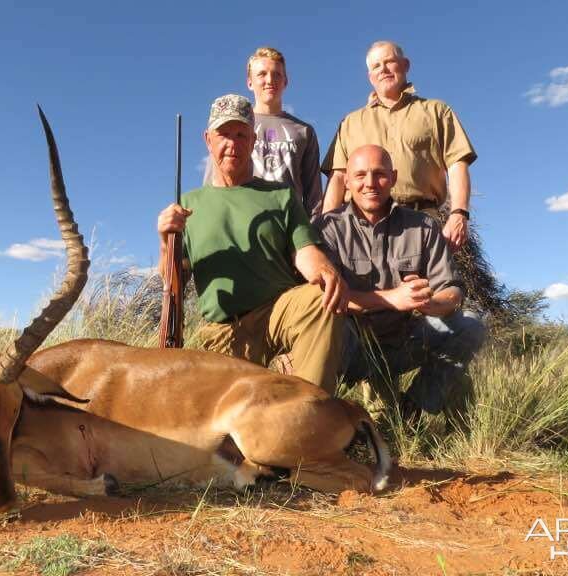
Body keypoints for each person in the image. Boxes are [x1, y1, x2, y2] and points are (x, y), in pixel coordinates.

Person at [158, 94, 347, 392]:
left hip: (276, 315)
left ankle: (310, 415)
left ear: (253, 139)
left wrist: (325, 272)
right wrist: (166, 241)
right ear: (208, 140)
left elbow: (306, 253)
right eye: (223, 134)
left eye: (241, 134)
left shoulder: (280, 195)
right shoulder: (188, 205)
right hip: (223, 331)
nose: (232, 143)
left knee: (318, 299)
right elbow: (175, 279)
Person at [316, 144, 485, 424]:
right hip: (351, 346)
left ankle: (413, 409)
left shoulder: (422, 226)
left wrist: (432, 304)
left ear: (393, 178)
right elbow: (327, 297)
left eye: (379, 174)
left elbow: (453, 290)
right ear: (346, 180)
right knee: (324, 333)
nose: (370, 183)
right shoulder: (326, 228)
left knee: (470, 325)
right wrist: (393, 298)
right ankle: (326, 423)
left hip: (404, 340)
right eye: (360, 175)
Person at [321, 40, 476, 252]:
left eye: (390, 62)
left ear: (405, 65)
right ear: (369, 76)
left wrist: (459, 213)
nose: (383, 69)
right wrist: (325, 227)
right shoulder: (350, 122)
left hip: (421, 225)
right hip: (361, 228)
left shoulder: (437, 111)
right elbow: (338, 178)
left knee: (423, 286)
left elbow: (457, 164)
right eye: (376, 66)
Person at [203, 47, 324, 217]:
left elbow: (314, 196)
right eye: (262, 74)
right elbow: (213, 181)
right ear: (250, 82)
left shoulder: (304, 131)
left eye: (276, 74)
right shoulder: (231, 126)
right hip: (243, 222)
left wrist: (312, 231)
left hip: (290, 227)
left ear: (285, 81)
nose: (270, 80)